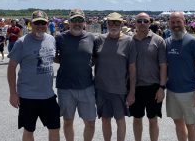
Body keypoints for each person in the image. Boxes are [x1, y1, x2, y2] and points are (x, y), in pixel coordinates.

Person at [7, 10, 60, 141]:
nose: (40, 26)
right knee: (28, 129)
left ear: (47, 24)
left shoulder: (52, 39)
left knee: (55, 128)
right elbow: (11, 67)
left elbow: (54, 58)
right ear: (31, 24)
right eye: (37, 23)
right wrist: (13, 93)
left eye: (43, 23)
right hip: (27, 96)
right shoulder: (22, 42)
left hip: (48, 95)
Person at [94, 12, 136, 141]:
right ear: (107, 24)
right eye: (111, 22)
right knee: (105, 119)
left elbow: (132, 69)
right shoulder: (99, 39)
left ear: (122, 24)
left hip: (120, 89)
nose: (113, 25)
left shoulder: (129, 41)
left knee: (120, 119)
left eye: (117, 22)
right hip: (101, 89)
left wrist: (132, 92)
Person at [55, 8, 96, 141]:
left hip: (87, 86)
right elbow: (53, 56)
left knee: (90, 122)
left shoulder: (91, 37)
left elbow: (95, 57)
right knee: (68, 121)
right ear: (69, 22)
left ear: (84, 22)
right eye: (74, 20)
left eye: (80, 20)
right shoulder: (60, 38)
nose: (77, 23)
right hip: (65, 87)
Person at [165, 12, 195, 141]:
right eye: (173, 22)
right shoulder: (167, 42)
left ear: (184, 22)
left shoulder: (192, 41)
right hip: (172, 91)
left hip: (189, 92)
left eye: (178, 22)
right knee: (178, 123)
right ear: (169, 24)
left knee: (191, 125)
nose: (176, 25)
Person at [130, 12, 167, 141]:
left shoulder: (158, 40)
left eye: (145, 21)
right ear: (135, 23)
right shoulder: (129, 41)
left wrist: (162, 87)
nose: (142, 24)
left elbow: (163, 66)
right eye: (139, 21)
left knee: (153, 120)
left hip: (154, 87)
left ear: (150, 23)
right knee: (137, 118)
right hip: (135, 87)